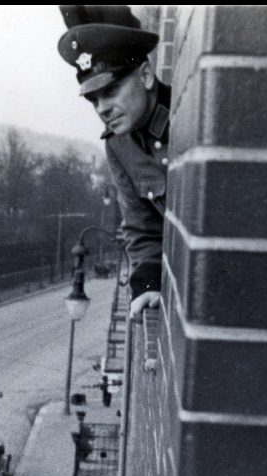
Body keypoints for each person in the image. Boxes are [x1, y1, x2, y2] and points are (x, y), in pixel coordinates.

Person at [57, 5, 168, 316]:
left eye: (112, 90)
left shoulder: (189, 118)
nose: (103, 108)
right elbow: (140, 227)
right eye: (94, 99)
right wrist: (146, 285)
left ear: (145, 75)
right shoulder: (118, 145)